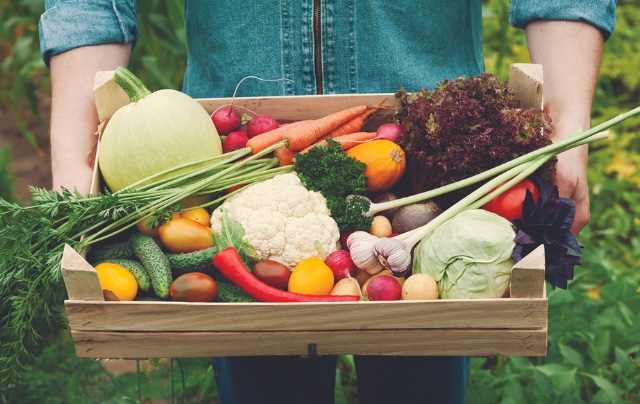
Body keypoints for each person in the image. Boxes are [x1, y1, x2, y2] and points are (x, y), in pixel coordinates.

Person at [39, 1, 616, 403]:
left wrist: (567, 119)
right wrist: (72, 159)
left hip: (430, 163)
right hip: (224, 169)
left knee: (425, 375)